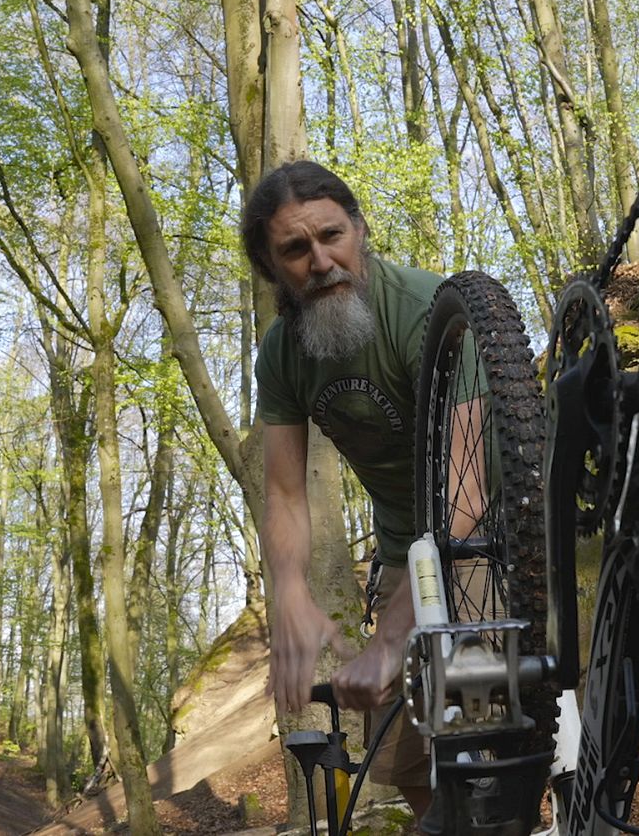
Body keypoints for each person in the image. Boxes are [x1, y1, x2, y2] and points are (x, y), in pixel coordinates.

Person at [242, 159, 446, 819]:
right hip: (405, 549)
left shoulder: (427, 311)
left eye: (332, 235)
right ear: (272, 267)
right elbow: (284, 495)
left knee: (484, 742)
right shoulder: (282, 355)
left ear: (360, 230)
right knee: (407, 762)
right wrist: (290, 593)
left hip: (498, 532)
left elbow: (468, 500)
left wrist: (391, 642)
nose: (321, 261)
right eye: (295, 249)